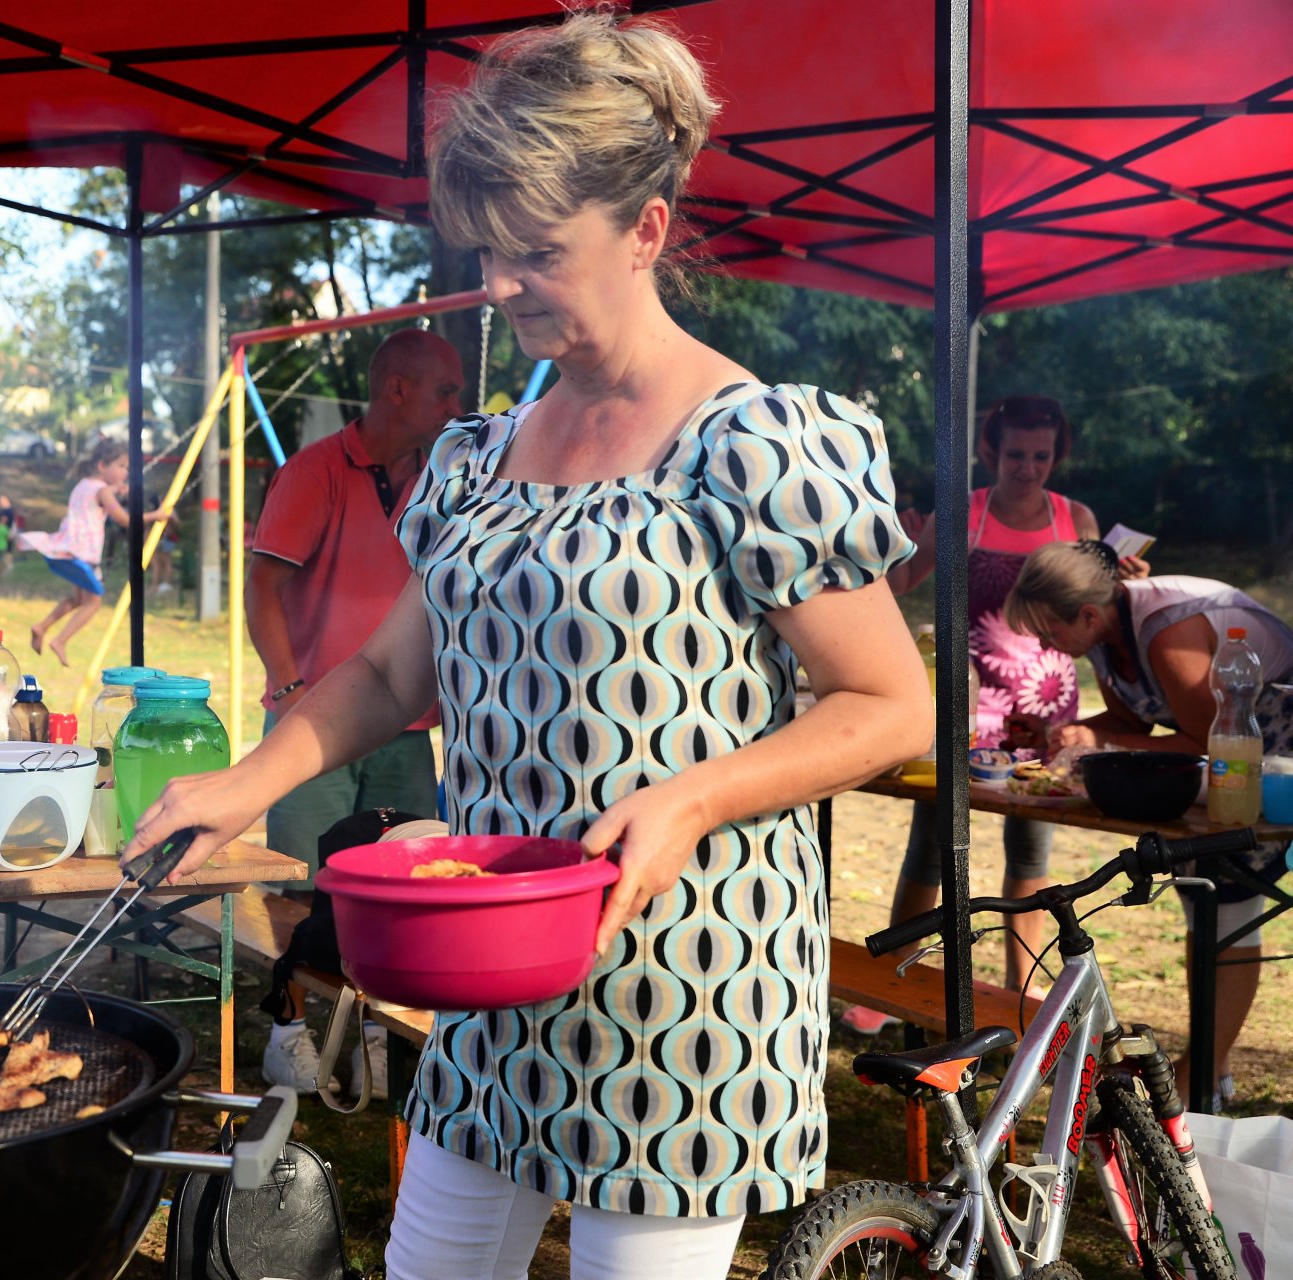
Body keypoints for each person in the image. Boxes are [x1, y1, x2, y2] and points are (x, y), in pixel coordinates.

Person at [121, 14, 932, 1276]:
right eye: (490, 250)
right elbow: (397, 671)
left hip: (686, 995)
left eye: (537, 252)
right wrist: (247, 784)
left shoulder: (754, 442)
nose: (499, 284)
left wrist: (692, 796)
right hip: (488, 990)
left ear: (647, 229)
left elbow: (889, 703)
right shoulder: (478, 454)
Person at [862, 397, 1146, 1025]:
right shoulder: (966, 510)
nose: (1028, 467)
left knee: (1030, 851)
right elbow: (902, 583)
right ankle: (892, 984)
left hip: (1045, 705)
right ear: (991, 452)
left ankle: (1026, 994)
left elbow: (1103, 605)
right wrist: (907, 548)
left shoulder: (1076, 516)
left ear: (1056, 455)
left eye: (1041, 456)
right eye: (1016, 454)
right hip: (968, 700)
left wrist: (1128, 578)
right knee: (933, 845)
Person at [248, 327, 462, 1096]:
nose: (458, 405)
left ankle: (374, 1030)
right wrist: (286, 685)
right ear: (397, 390)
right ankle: (289, 1029)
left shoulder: (441, 476)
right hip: (317, 726)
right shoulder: (316, 471)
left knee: (399, 886)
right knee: (302, 889)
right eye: (446, 391)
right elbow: (262, 585)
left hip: (403, 729)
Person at [1006, 540, 1293, 1106]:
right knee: (1204, 900)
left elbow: (1203, 740)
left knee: (1229, 897)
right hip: (1233, 763)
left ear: (1087, 615)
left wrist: (1099, 738)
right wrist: (1055, 732)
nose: (1044, 645)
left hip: (1272, 758)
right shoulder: (1107, 630)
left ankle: (1201, 1077)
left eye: (1049, 632)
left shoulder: (1167, 633)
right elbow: (1127, 717)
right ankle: (1212, 1062)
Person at [20, 439, 171, 666]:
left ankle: (41, 626)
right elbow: (125, 520)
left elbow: (97, 502)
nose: (125, 472)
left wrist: (114, 492)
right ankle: (60, 641)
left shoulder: (83, 485)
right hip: (82, 555)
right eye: (120, 466)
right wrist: (154, 516)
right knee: (94, 602)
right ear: (102, 466)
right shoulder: (102, 490)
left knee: (78, 599)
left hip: (68, 549)